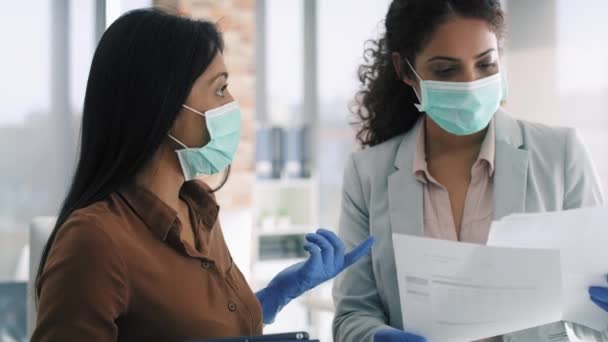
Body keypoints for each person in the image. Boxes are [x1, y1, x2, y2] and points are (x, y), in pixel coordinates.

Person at [32, 9, 374, 342]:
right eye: (220, 89)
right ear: (163, 104)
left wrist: (281, 291)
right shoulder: (94, 240)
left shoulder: (198, 208)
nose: (232, 104)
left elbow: (198, 329)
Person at [332, 1, 607, 341]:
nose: (470, 83)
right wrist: (374, 336)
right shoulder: (367, 174)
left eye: (485, 64)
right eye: (446, 70)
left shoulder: (560, 155)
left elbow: (593, 313)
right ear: (404, 70)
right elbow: (352, 314)